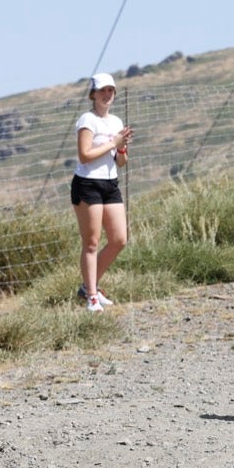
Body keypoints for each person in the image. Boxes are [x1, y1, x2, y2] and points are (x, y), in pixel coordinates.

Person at [71, 72, 134, 312]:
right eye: (103, 90)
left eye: (111, 90)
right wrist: (113, 143)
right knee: (92, 242)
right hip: (88, 184)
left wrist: (121, 149)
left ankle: (89, 287)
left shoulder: (116, 122)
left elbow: (120, 161)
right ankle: (92, 297)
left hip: (110, 183)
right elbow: (85, 155)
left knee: (119, 239)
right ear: (93, 94)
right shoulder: (87, 120)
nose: (107, 95)